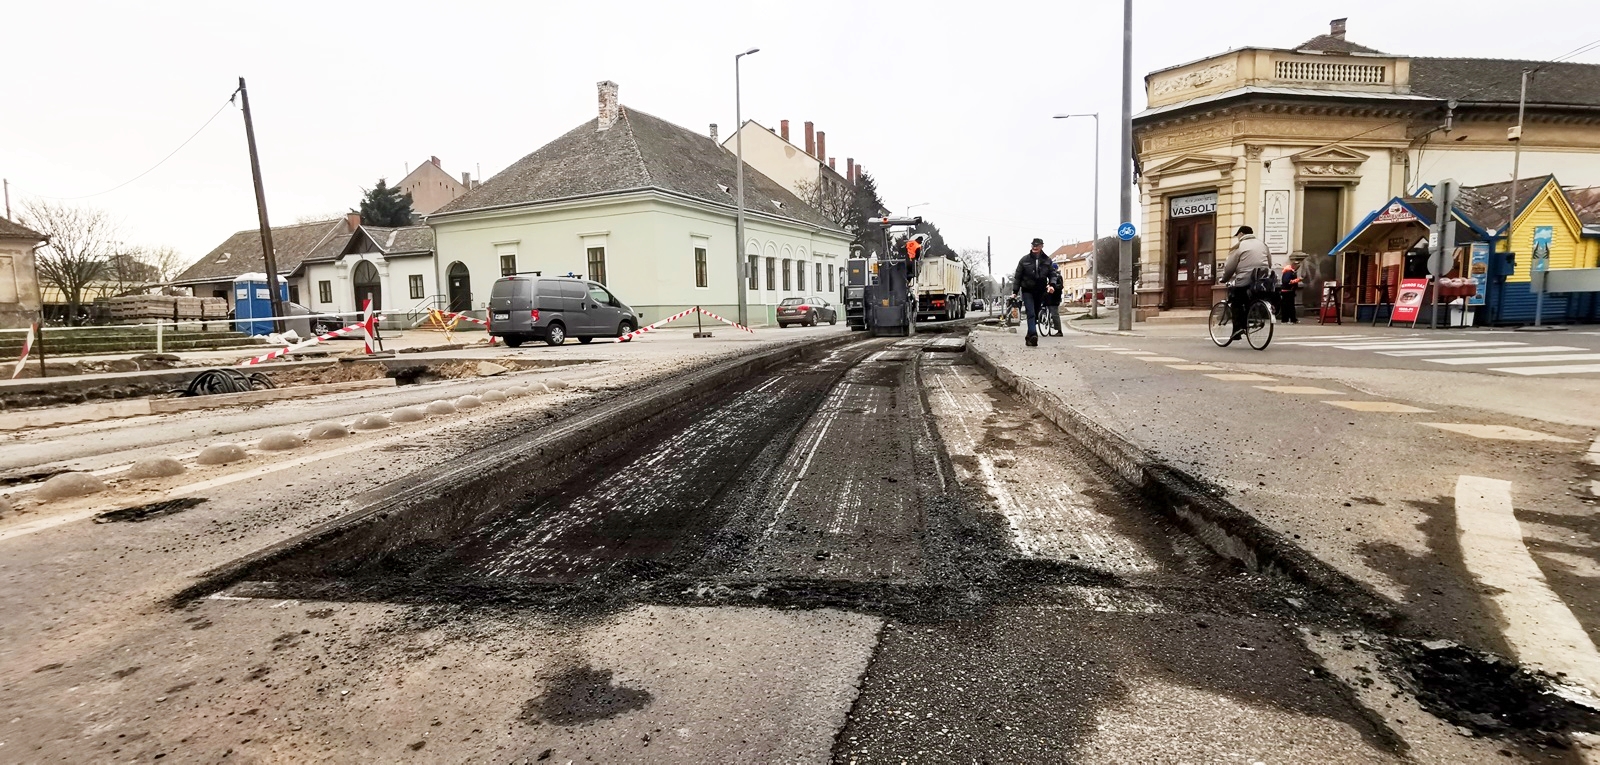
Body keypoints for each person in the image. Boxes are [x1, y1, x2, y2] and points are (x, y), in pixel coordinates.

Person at [1218, 225, 1272, 342]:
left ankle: (1238, 330)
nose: (1237, 238)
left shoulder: (1238, 246)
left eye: (1237, 235)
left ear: (1241, 234)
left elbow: (1229, 268)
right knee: (1250, 300)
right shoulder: (1263, 244)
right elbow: (1270, 263)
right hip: (1261, 281)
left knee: (1236, 301)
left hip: (1245, 280)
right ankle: (1251, 319)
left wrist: (1224, 279)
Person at [1011, 238, 1056, 346]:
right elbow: (1018, 277)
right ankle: (1033, 334)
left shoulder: (1047, 260)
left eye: (1037, 246)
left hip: (1040, 291)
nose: (1035, 247)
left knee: (1035, 314)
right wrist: (1015, 292)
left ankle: (1029, 337)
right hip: (1027, 290)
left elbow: (1052, 274)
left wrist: (1052, 285)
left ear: (1042, 247)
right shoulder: (1024, 260)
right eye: (1033, 246)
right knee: (1030, 313)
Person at [1043, 261, 1065, 336]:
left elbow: (1061, 286)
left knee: (1055, 313)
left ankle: (1059, 331)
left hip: (1055, 297)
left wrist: (1053, 287)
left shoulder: (1058, 276)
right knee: (1044, 308)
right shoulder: (1047, 276)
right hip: (1047, 297)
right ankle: (1044, 319)